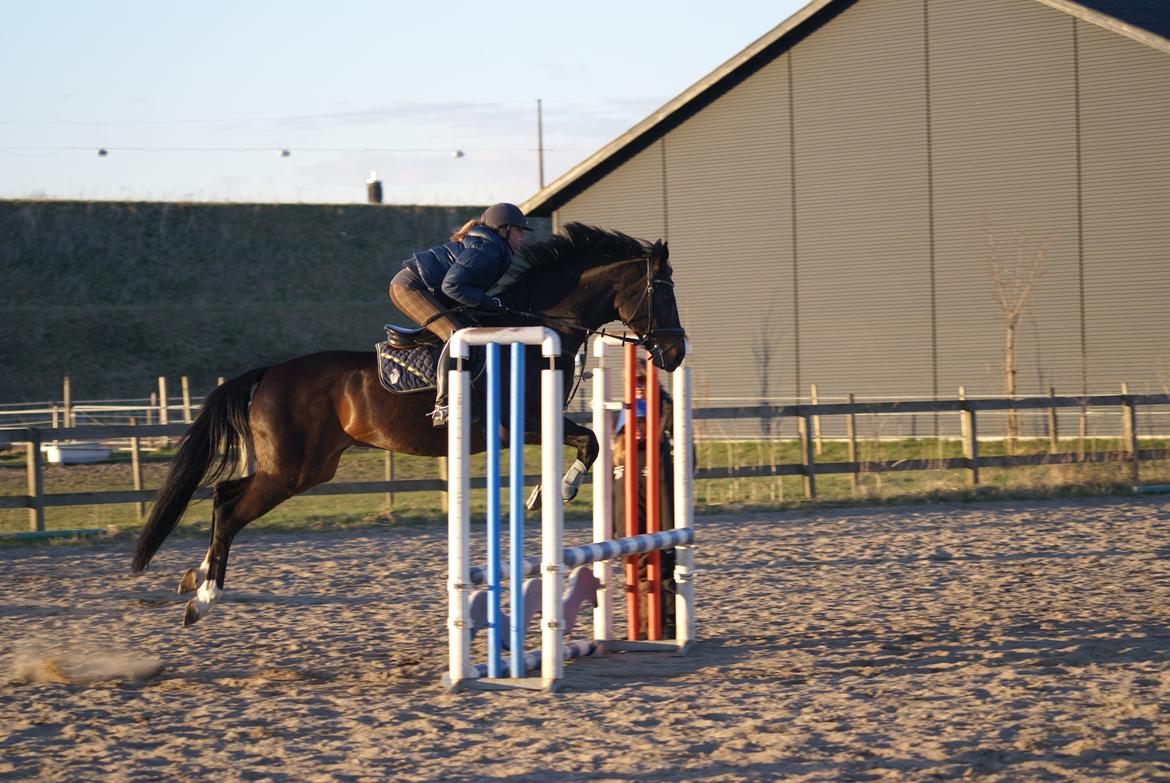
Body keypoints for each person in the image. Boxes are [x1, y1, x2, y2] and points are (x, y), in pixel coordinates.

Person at [389, 202, 533, 425]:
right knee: (457, 335)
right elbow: (453, 286)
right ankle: (443, 405)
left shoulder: (493, 247)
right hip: (409, 286)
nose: (522, 237)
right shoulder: (488, 248)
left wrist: (489, 304)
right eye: (519, 230)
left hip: (425, 287)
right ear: (503, 229)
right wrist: (488, 303)